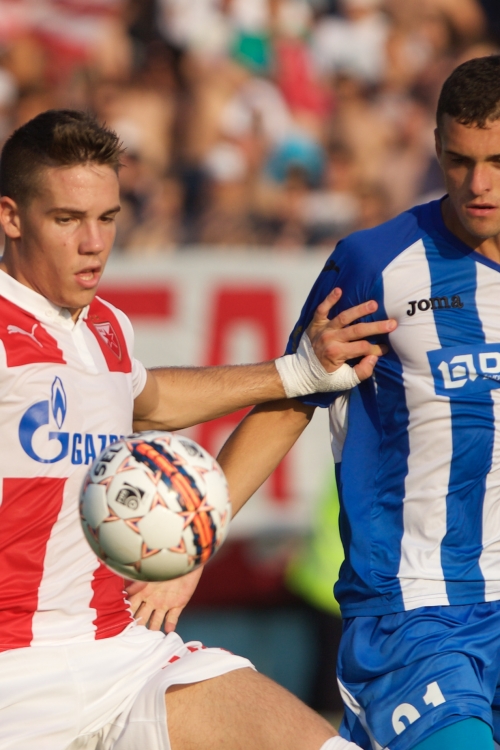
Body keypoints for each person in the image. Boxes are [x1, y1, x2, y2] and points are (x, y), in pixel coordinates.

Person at [0, 109, 395, 750]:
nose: (94, 242)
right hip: (13, 675)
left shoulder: (105, 327)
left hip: (124, 653)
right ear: (12, 217)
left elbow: (151, 401)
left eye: (107, 218)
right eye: (67, 219)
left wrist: (294, 372)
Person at [214, 54, 500, 750]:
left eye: (498, 162)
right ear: (435, 146)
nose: (478, 184)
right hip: (416, 613)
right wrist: (192, 542)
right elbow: (292, 397)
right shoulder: (376, 264)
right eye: (459, 160)